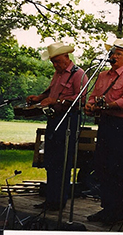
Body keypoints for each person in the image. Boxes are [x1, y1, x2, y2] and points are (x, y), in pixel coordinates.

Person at [84, 39, 123, 224]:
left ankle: (117, 212)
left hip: (120, 125)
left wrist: (105, 106)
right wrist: (90, 106)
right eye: (113, 52)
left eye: (118, 53)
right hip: (105, 124)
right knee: (102, 167)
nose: (113, 56)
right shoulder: (102, 75)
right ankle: (106, 208)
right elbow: (92, 96)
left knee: (116, 169)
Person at [27, 41, 88, 211]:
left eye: (58, 61)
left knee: (63, 161)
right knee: (51, 159)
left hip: (69, 120)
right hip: (54, 119)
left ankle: (59, 201)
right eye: (53, 62)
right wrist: (39, 97)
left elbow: (81, 100)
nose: (56, 65)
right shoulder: (58, 73)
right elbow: (50, 91)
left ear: (67, 58)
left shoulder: (79, 74)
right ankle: (51, 199)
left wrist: (57, 101)